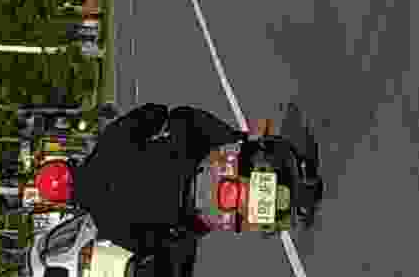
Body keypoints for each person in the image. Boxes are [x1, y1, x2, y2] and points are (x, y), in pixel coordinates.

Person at [28, 98, 268, 240]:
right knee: (182, 116)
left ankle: (255, 216)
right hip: (192, 165)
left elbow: (149, 246)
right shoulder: (108, 144)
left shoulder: (107, 225)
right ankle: (244, 140)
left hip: (191, 214)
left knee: (186, 234)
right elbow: (155, 112)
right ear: (70, 165)